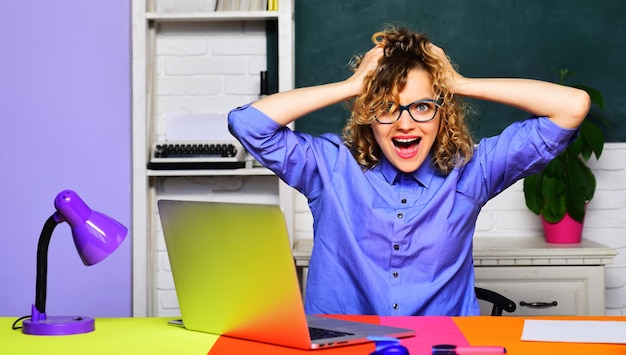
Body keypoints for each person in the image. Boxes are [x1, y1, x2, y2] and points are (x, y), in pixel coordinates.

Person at [227, 27, 590, 316]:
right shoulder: (329, 167)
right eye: (387, 107)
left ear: (442, 113)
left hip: (442, 345)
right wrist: (352, 86)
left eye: (421, 107)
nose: (405, 124)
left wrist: (458, 83)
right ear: (368, 117)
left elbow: (572, 107)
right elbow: (247, 124)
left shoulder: (472, 172)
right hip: (342, 344)